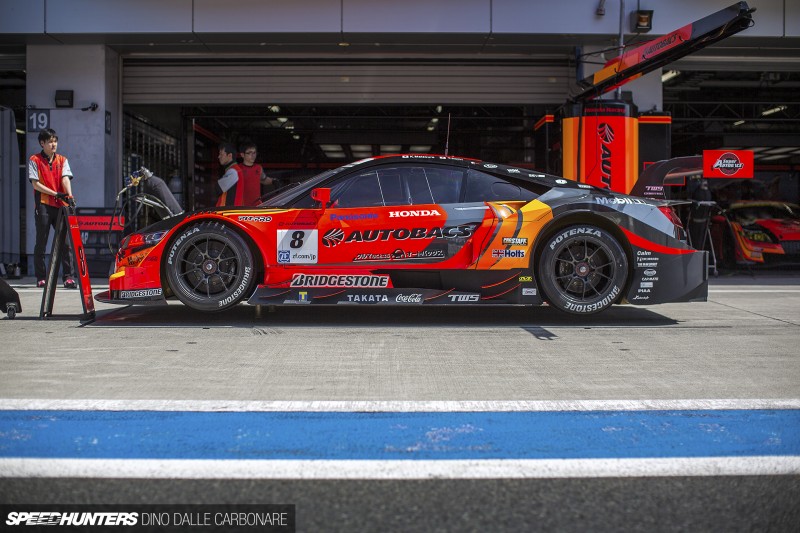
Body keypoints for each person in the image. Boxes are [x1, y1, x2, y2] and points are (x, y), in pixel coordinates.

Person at [27, 128, 77, 289]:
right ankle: (41, 277)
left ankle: (68, 277)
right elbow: (36, 184)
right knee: (41, 242)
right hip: (43, 205)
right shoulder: (34, 160)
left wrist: (69, 196)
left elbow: (65, 178)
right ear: (42, 143)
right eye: (50, 141)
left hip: (60, 205)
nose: (53, 144)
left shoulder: (62, 160)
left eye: (55, 141)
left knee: (66, 243)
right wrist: (56, 193)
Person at [238, 141, 275, 206]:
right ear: (242, 155)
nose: (253, 156)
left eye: (254, 153)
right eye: (249, 153)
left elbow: (263, 180)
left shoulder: (258, 168)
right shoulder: (237, 169)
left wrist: (274, 181)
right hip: (242, 207)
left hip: (257, 206)